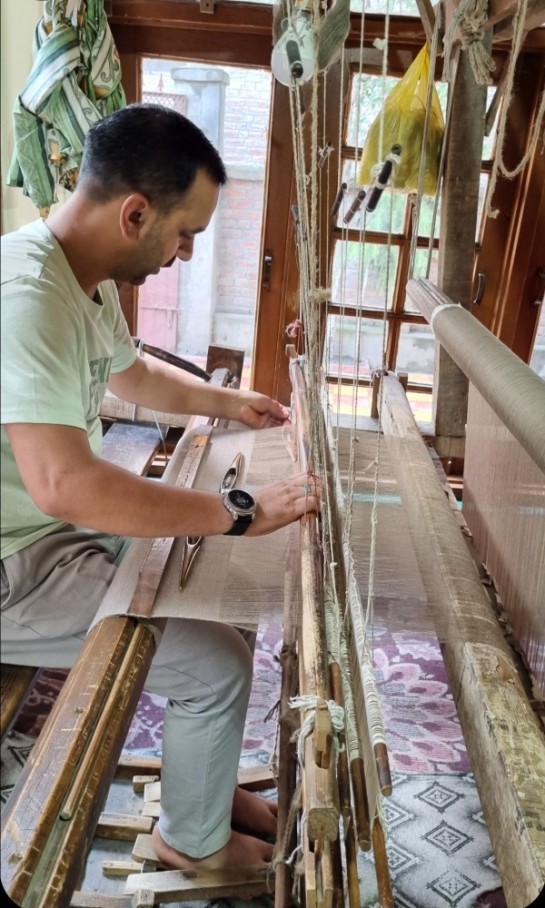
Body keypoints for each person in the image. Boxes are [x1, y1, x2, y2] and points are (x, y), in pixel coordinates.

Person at [0, 103, 320, 872]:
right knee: (214, 661)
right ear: (135, 212)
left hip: (42, 537)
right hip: (15, 568)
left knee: (219, 592)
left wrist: (226, 402)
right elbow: (64, 486)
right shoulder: (27, 298)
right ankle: (193, 842)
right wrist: (235, 511)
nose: (182, 253)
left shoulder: (80, 274)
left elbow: (131, 374)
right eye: (185, 234)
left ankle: (207, 786)